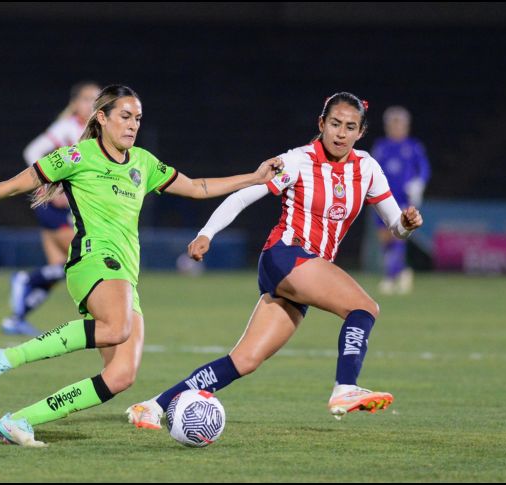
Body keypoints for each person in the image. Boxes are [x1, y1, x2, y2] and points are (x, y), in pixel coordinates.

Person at [0, 85, 284, 447]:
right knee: (115, 328)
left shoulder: (143, 163)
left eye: (138, 118)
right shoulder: (77, 157)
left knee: (121, 376)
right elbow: (11, 186)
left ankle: (20, 420)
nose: (132, 125)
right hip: (92, 260)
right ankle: (6, 357)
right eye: (125, 116)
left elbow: (198, 187)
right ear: (102, 118)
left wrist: (254, 177)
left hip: (125, 274)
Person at [126, 92, 423, 430]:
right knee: (364, 308)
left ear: (360, 132)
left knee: (244, 360)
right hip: (286, 256)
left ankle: (152, 405)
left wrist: (406, 225)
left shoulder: (367, 168)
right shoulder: (297, 161)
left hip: (305, 272)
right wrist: (206, 233)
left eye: (350, 127)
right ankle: (345, 388)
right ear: (322, 124)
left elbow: (395, 226)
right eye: (335, 124)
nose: (341, 133)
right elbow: (244, 195)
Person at [3, 81, 101, 336]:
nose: (93, 103)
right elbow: (33, 151)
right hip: (53, 206)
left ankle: (17, 317)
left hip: (64, 207)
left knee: (58, 267)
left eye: (97, 98)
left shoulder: (93, 131)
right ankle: (25, 280)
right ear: (76, 104)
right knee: (79, 257)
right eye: (88, 99)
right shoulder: (69, 127)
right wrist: (51, 182)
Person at [370, 106, 430, 295]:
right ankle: (402, 271)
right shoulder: (381, 146)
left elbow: (424, 169)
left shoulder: (413, 146)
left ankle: (390, 276)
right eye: (393, 124)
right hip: (381, 198)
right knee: (385, 238)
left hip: (403, 199)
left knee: (399, 234)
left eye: (399, 124)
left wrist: (418, 184)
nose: (396, 128)